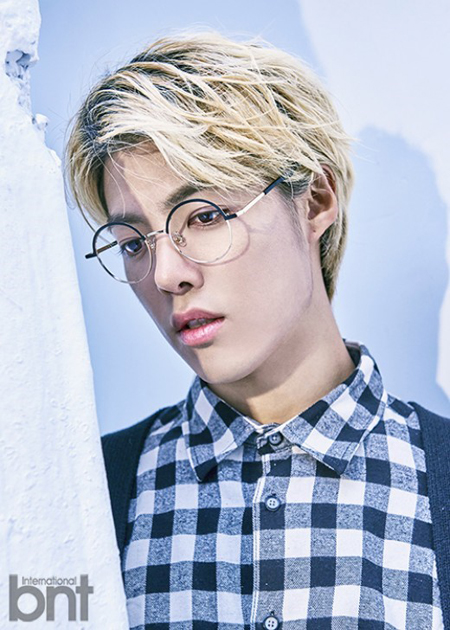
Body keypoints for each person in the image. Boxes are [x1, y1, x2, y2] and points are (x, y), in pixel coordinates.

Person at [65, 31, 450, 629]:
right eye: (133, 243)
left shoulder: (437, 482)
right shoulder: (85, 497)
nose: (166, 274)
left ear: (314, 200)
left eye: (204, 216)